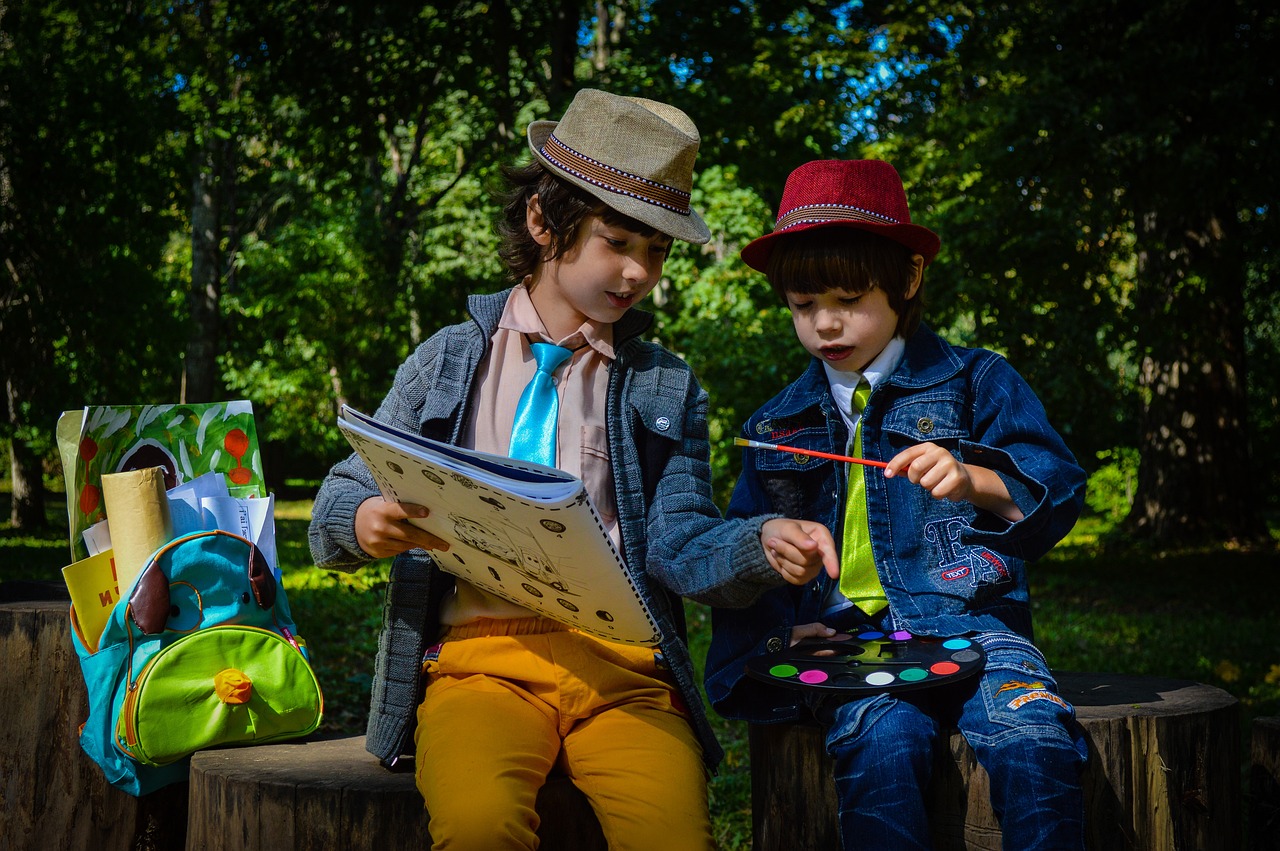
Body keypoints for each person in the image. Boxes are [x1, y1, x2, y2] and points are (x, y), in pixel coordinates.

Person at [308, 89, 837, 851]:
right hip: (477, 668)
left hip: (624, 672)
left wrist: (760, 542)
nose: (638, 272)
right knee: (477, 825)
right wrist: (365, 521)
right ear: (543, 223)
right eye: (617, 242)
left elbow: (679, 540)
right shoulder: (449, 362)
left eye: (657, 252)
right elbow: (340, 492)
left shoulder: (663, 384)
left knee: (674, 837)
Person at [704, 159, 1090, 849]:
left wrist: (973, 477)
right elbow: (745, 545)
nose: (825, 323)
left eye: (850, 298)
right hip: (849, 642)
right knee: (882, 743)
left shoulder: (977, 380)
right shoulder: (774, 425)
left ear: (907, 279)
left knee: (1034, 739)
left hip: (975, 625)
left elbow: (1055, 485)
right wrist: (773, 632)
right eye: (802, 304)